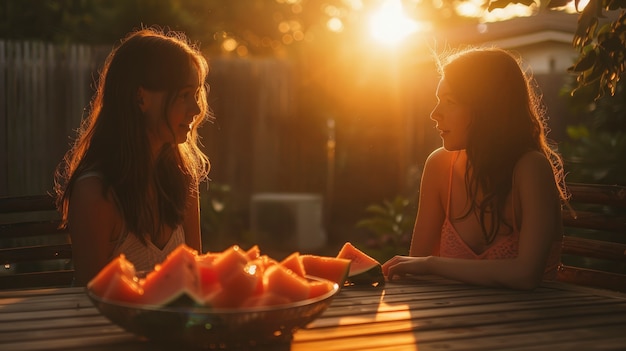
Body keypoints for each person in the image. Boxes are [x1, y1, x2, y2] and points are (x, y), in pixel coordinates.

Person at [381, 47, 568, 290]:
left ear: (487, 108)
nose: (434, 114)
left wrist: (431, 264)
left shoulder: (530, 169)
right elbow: (414, 273)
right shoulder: (440, 166)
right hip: (454, 319)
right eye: (438, 101)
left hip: (531, 323)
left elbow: (526, 274)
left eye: (450, 102)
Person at [54, 27, 211, 285]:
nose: (196, 109)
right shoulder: (96, 193)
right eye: (184, 95)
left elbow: (195, 279)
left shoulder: (182, 178)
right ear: (141, 98)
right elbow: (92, 295)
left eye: (196, 95)